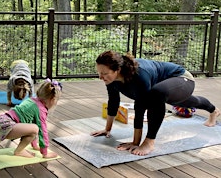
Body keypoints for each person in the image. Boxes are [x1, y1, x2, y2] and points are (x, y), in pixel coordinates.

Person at [91, 50, 220, 156]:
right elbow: (113, 102)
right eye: (99, 73)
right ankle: (214, 111)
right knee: (189, 102)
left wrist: (136, 142)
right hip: (163, 89)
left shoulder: (139, 75)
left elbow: (140, 107)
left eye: (104, 73)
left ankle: (149, 141)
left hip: (182, 79)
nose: (100, 77)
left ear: (117, 70)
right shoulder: (111, 81)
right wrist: (107, 129)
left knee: (156, 94)